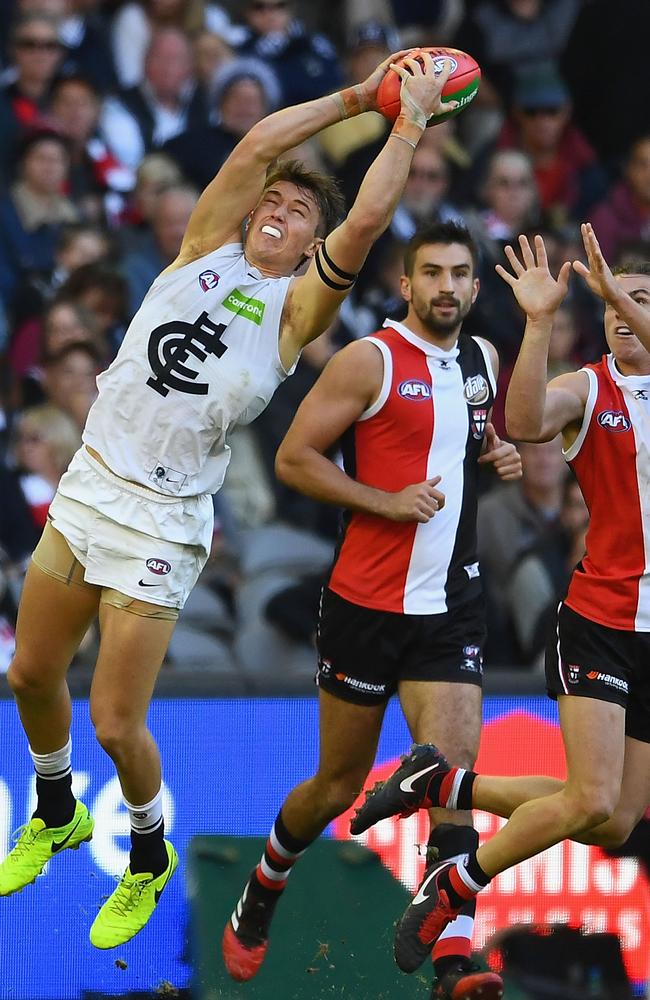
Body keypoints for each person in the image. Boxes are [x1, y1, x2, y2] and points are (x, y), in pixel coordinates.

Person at [0, 48, 457, 953]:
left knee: (118, 722)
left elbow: (363, 224)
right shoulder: (202, 246)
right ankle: (53, 808)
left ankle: (148, 853)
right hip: (91, 482)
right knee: (27, 676)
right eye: (274, 206)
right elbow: (254, 146)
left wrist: (404, 124)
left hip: (165, 523)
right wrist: (357, 96)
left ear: (306, 248)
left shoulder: (293, 313)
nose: (277, 215)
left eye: (297, 216)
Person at [223, 220, 522, 1000]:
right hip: (365, 605)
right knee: (335, 781)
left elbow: (475, 443)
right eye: (432, 273)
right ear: (406, 283)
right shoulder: (372, 360)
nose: (447, 287)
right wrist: (382, 502)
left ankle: (454, 966)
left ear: (476, 287)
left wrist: (501, 455)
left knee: (451, 779)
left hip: (451, 606)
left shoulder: (486, 361)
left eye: (460, 274)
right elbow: (295, 458)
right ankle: (263, 887)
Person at [350, 224, 650, 978]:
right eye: (615, 301)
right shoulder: (592, 387)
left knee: (613, 822)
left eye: (640, 300)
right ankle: (457, 882)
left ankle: (443, 784)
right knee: (588, 799)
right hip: (604, 621)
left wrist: (619, 291)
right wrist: (542, 320)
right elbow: (520, 425)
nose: (622, 310)